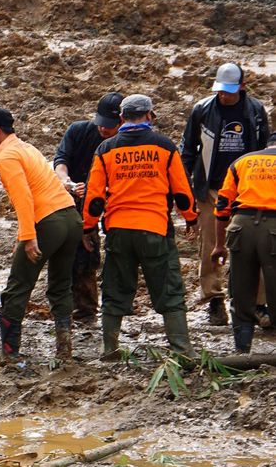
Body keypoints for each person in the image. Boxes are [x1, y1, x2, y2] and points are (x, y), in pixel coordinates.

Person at [83, 94, 198, 359]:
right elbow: (182, 190)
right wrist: (190, 218)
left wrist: (88, 227)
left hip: (118, 230)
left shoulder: (106, 149)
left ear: (121, 118)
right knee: (169, 289)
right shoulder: (165, 146)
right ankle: (182, 350)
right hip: (154, 228)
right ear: (149, 115)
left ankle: (110, 348)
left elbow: (94, 196)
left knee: (115, 289)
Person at [0, 106, 81, 362]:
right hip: (70, 218)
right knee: (61, 285)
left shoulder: (6, 156)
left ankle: (9, 353)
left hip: (48, 223)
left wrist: (28, 236)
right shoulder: (27, 148)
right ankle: (64, 349)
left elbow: (23, 198)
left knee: (17, 288)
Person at [181, 62, 271, 326]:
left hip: (247, 190)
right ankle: (214, 300)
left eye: (230, 91)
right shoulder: (202, 110)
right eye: (221, 91)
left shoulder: (255, 111)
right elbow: (188, 149)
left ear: (242, 86)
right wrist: (185, 187)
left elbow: (265, 149)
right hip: (211, 187)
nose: (224, 96)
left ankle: (258, 304)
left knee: (255, 247)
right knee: (210, 246)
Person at [53, 92, 124, 322]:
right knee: (65, 253)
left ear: (122, 121)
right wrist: (66, 182)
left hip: (104, 201)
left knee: (88, 252)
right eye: (101, 124)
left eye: (110, 126)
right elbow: (61, 160)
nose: (104, 129)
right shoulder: (78, 131)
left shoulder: (122, 144)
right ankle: (67, 307)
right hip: (70, 197)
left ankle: (87, 310)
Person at [211, 134, 276, 352]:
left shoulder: (242, 162)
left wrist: (219, 245)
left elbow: (222, 206)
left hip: (241, 226)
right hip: (274, 228)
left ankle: (242, 348)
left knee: (241, 289)